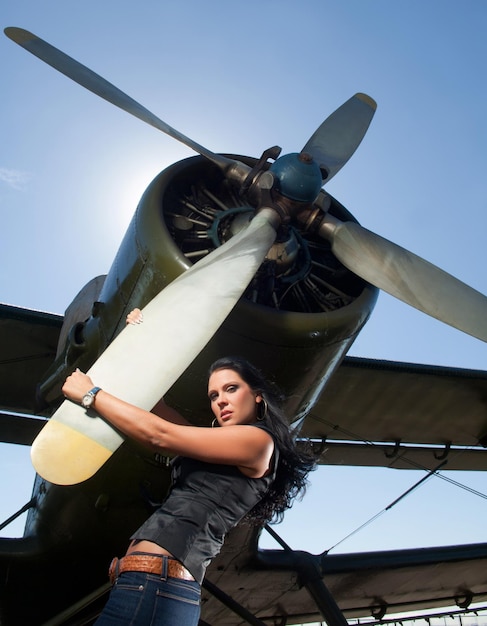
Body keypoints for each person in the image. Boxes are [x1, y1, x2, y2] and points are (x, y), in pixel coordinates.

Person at [61, 309, 315, 626]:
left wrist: (90, 395)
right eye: (213, 395)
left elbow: (159, 434)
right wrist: (140, 341)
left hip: (157, 587)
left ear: (258, 397)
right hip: (150, 585)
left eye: (231, 389)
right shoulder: (218, 448)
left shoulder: (258, 442)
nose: (220, 400)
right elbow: (156, 408)